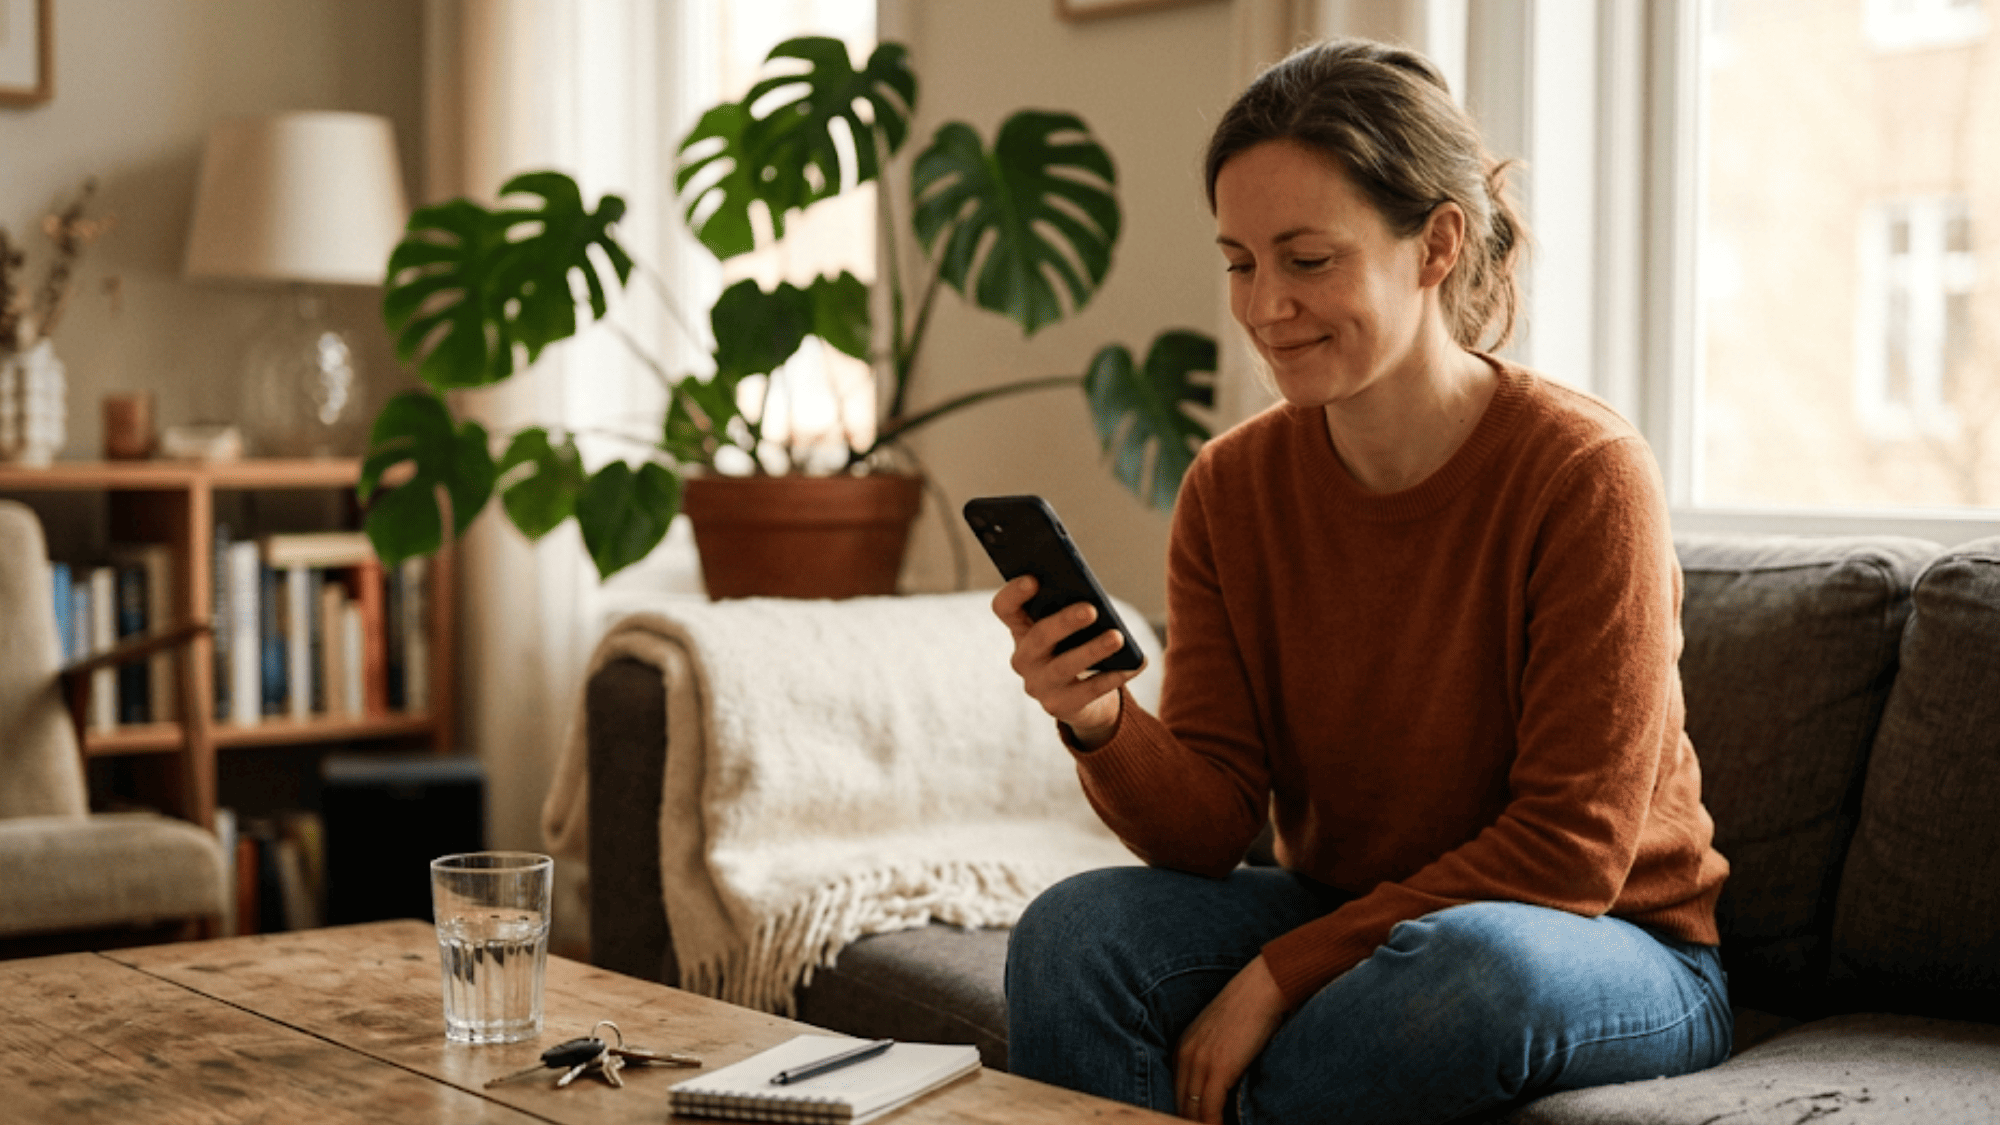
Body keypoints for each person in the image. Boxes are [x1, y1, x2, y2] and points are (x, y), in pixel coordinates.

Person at [990, 37, 1732, 1125]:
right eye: (1239, 261)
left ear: (1435, 243)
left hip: (1609, 944)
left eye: (1306, 259)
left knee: (1478, 969)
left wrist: (1283, 971)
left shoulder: (1583, 473)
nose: (1261, 306)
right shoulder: (1229, 489)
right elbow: (1208, 831)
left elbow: (1568, 853)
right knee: (1073, 935)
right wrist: (1101, 719)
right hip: (1348, 905)